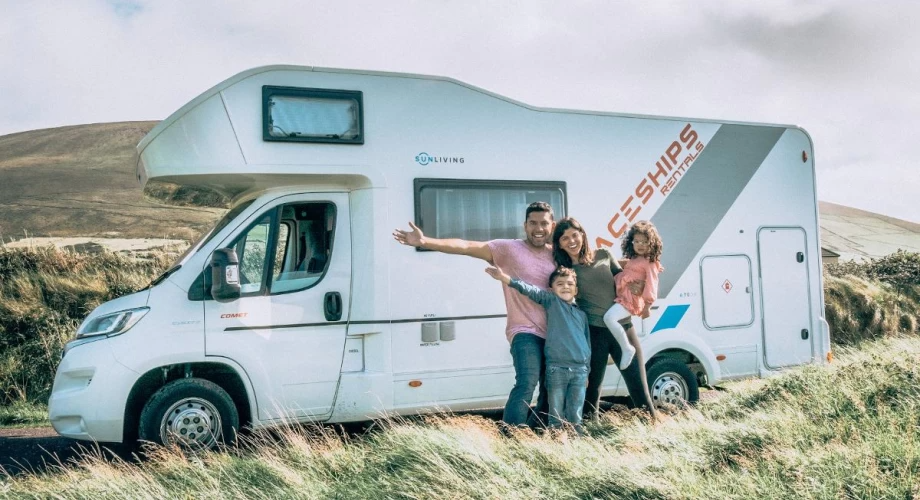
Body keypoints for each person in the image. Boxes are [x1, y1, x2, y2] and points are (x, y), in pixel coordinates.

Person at [393, 202, 556, 428]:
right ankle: (511, 436)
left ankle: (536, 435)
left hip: (556, 333)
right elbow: (466, 246)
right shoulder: (508, 248)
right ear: (525, 225)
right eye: (533, 223)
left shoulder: (557, 254)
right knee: (527, 383)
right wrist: (425, 241)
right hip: (524, 330)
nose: (538, 228)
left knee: (551, 388)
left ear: (552, 225)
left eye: (544, 223)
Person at [552, 217, 658, 420]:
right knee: (591, 394)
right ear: (559, 243)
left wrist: (641, 288)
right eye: (565, 238)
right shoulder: (566, 271)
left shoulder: (603, 254)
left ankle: (653, 432)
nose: (571, 241)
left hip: (623, 328)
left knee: (639, 389)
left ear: (582, 235)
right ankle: (591, 439)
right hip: (594, 333)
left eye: (575, 235)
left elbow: (625, 279)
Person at [485, 265, 591, 431]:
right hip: (557, 369)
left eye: (570, 284)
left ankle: (576, 445)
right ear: (551, 289)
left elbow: (587, 344)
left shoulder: (582, 315)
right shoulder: (552, 302)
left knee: (575, 414)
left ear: (576, 290)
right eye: (560, 284)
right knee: (555, 414)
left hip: (580, 370)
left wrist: (587, 371)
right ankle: (556, 441)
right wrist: (505, 278)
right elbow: (530, 290)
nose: (565, 287)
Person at [603, 221, 664, 369]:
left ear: (652, 243)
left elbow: (652, 284)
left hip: (632, 299)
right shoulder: (635, 259)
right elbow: (626, 267)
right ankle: (617, 348)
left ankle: (626, 348)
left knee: (609, 318)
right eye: (637, 241)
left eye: (644, 241)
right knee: (612, 319)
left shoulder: (650, 262)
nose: (640, 244)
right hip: (624, 296)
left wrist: (647, 306)